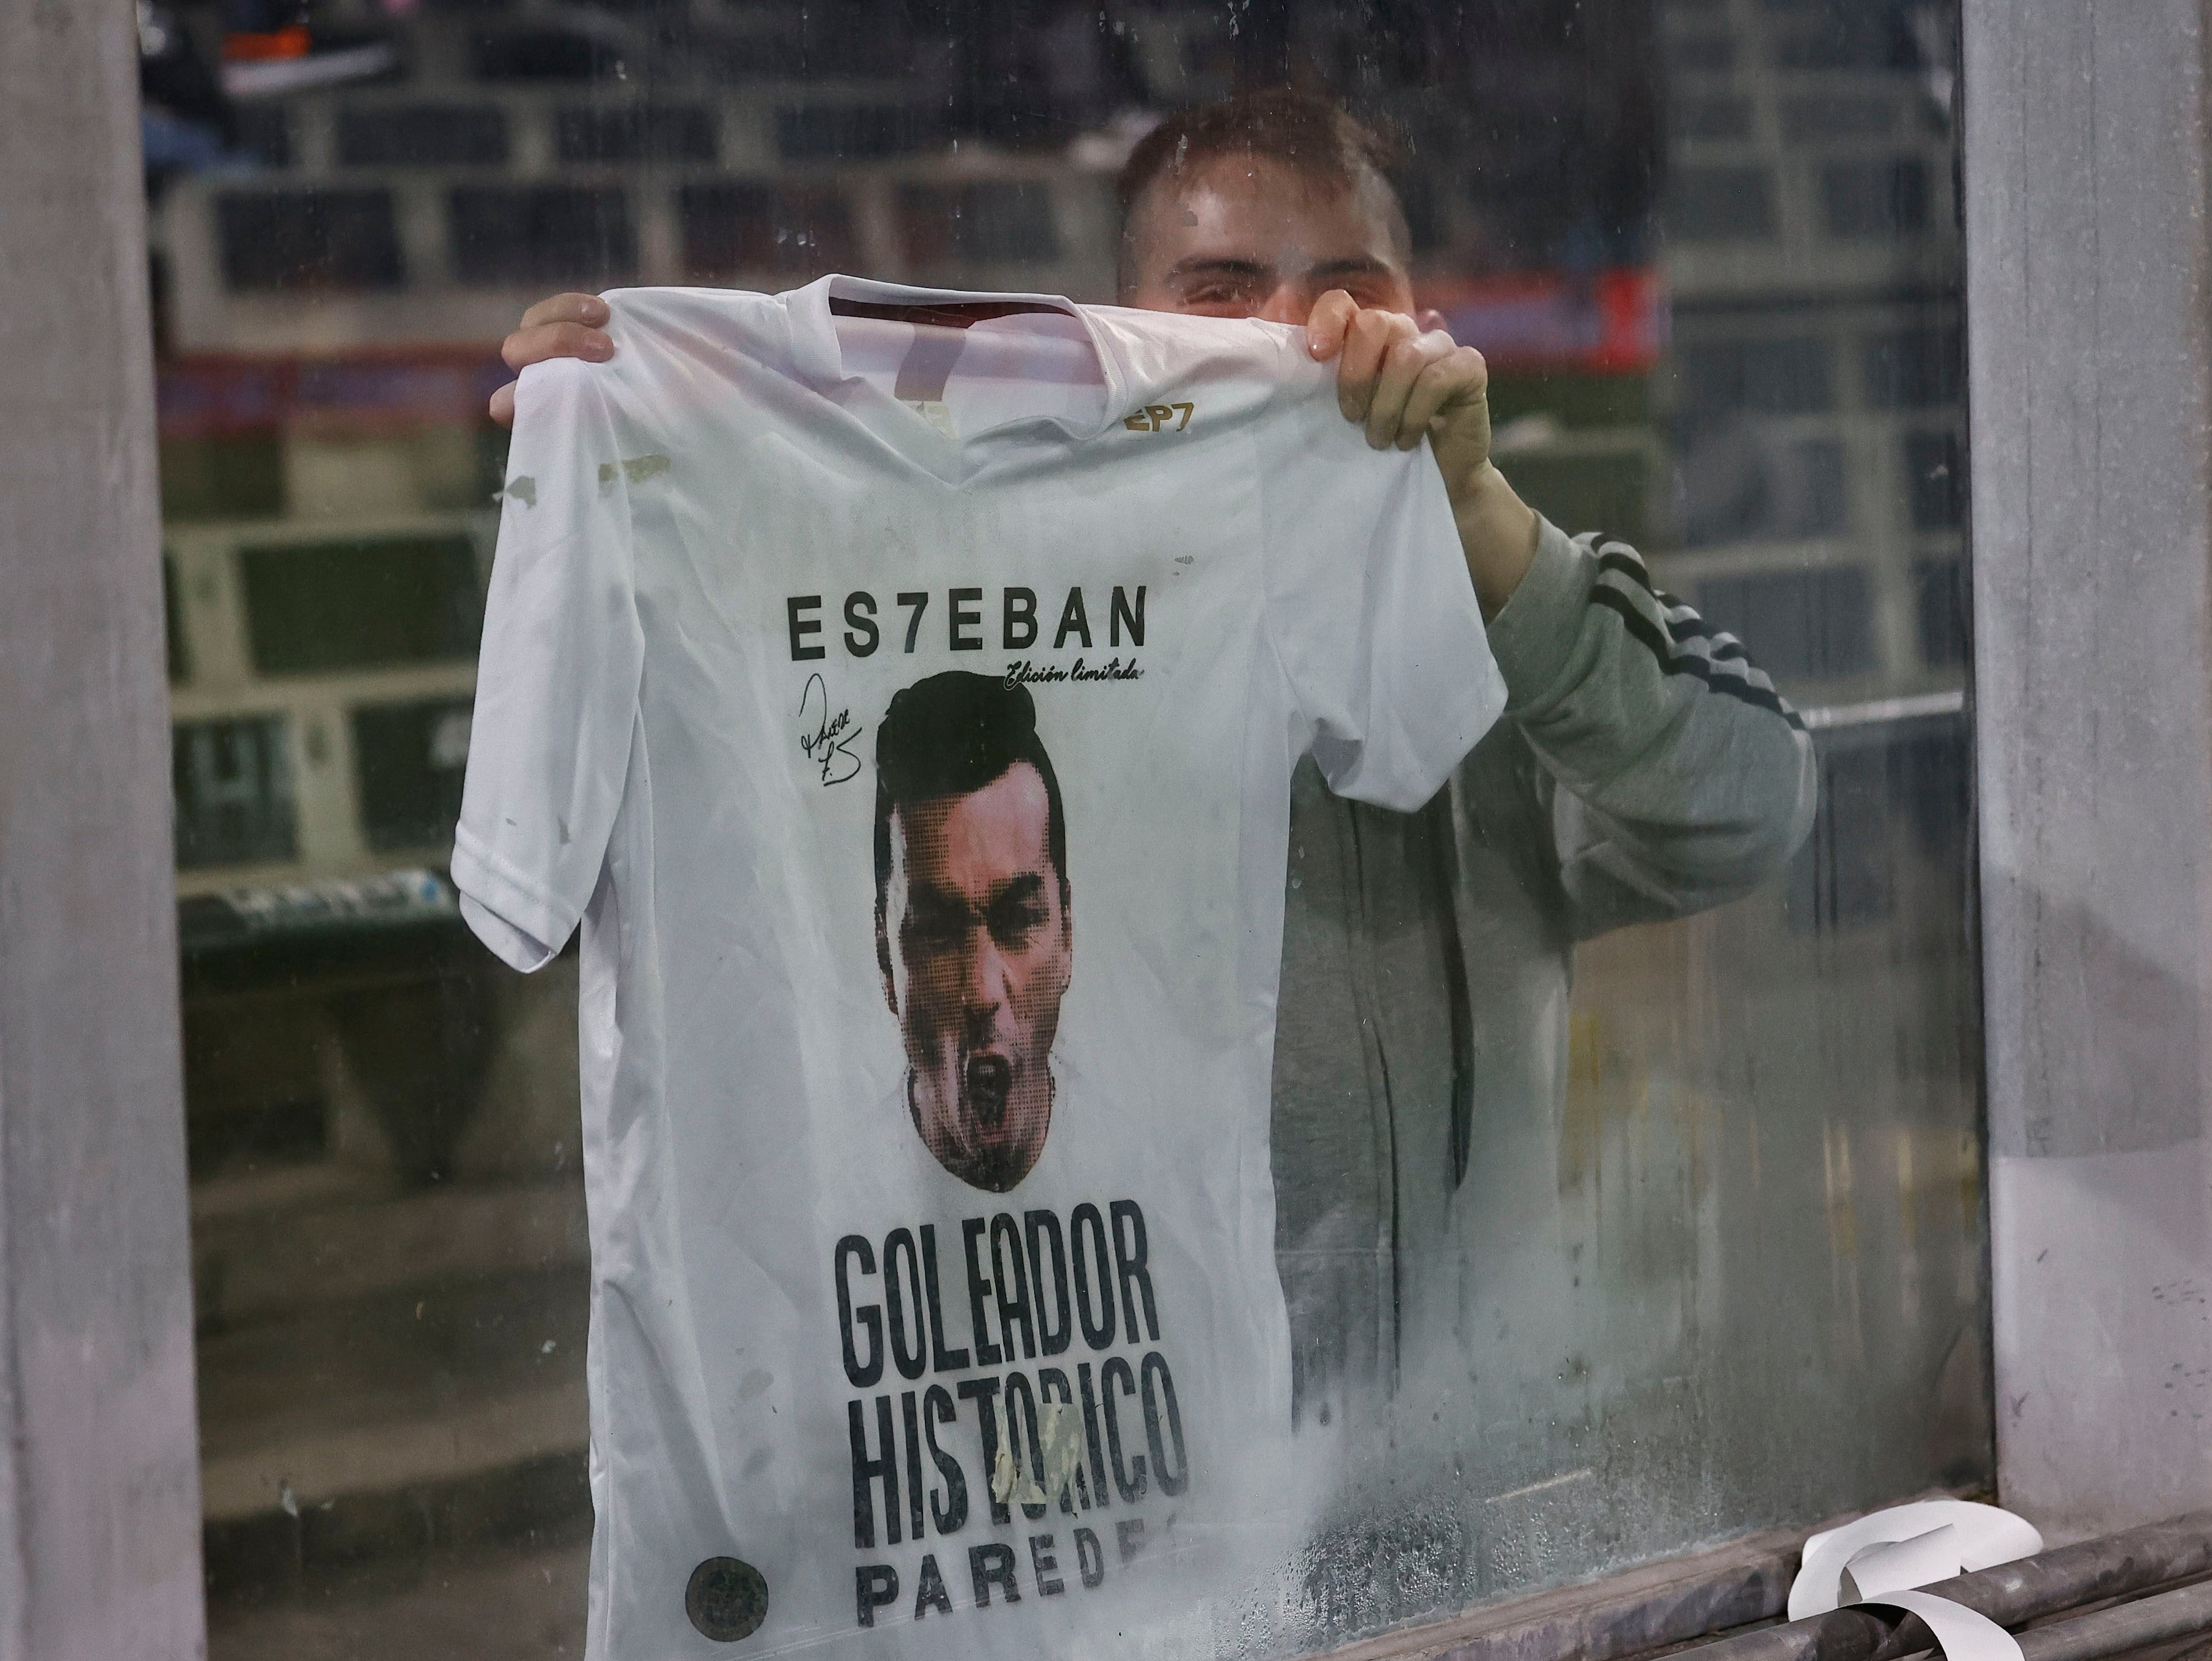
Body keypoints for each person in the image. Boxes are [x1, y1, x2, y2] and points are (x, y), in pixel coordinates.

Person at [490, 90, 1815, 1418]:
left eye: (1352, 291)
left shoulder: (1499, 627)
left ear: (1424, 322)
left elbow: (1755, 806)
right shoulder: (1015, 662)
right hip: (1132, 1523)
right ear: (1122, 341)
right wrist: (631, 460)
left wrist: (1476, 525)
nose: (1304, 339)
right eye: (1221, 293)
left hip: (1455, 1488)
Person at [871, 671, 1074, 1194]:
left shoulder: (1155, 1155)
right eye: (938, 935)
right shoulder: (821, 1188)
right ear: (885, 959)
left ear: (1066, 933)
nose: (982, 992)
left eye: (1017, 921)